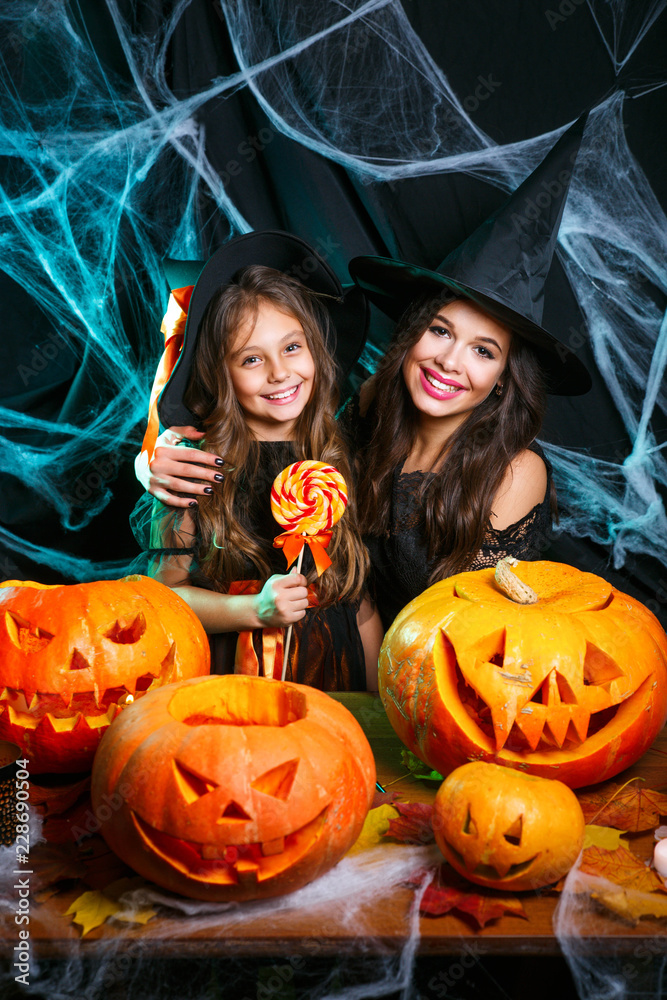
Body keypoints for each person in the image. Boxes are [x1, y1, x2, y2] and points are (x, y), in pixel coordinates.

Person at [140, 117, 591, 633]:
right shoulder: (376, 404)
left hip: (434, 671)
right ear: (413, 333)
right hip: (336, 643)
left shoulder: (514, 471)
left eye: (483, 352)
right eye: (440, 332)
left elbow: (469, 628)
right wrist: (152, 463)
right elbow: (271, 440)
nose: (449, 361)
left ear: (506, 378)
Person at [132, 231, 383, 690]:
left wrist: (376, 709)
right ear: (219, 373)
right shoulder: (194, 470)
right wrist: (253, 610)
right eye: (251, 359)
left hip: (336, 677)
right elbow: (165, 598)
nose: (280, 372)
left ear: (315, 350)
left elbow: (358, 602)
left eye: (292, 347)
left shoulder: (337, 451)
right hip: (233, 685)